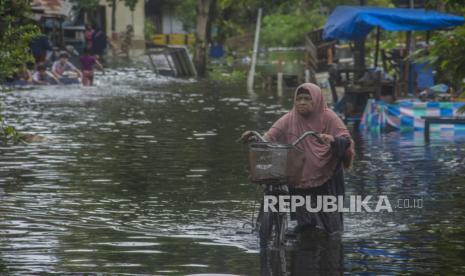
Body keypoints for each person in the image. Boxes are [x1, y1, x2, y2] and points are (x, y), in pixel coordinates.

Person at [242, 83, 355, 235]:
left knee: (332, 230)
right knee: (304, 223)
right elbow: (271, 135)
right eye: (299, 98)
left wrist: (332, 139)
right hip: (299, 173)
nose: (302, 102)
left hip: (325, 174)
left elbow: (345, 139)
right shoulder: (290, 117)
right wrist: (255, 137)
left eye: (307, 99)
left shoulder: (328, 116)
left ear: (316, 100)